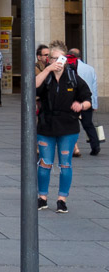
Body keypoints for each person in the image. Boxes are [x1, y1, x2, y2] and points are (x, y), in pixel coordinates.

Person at [36, 41, 93, 213]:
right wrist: (47, 70)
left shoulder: (74, 78)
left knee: (65, 164)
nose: (55, 61)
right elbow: (32, 86)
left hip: (68, 127)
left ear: (66, 59)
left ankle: (62, 199)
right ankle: (42, 197)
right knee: (44, 163)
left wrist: (81, 105)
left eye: (59, 58)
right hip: (47, 126)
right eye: (51, 58)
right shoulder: (46, 78)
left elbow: (88, 100)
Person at [69, 48, 100, 156]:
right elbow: (94, 87)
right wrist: (94, 103)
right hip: (87, 101)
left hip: (73, 101)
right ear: (80, 56)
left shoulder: (69, 68)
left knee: (71, 124)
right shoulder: (90, 69)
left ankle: (74, 147)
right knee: (88, 125)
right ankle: (95, 145)